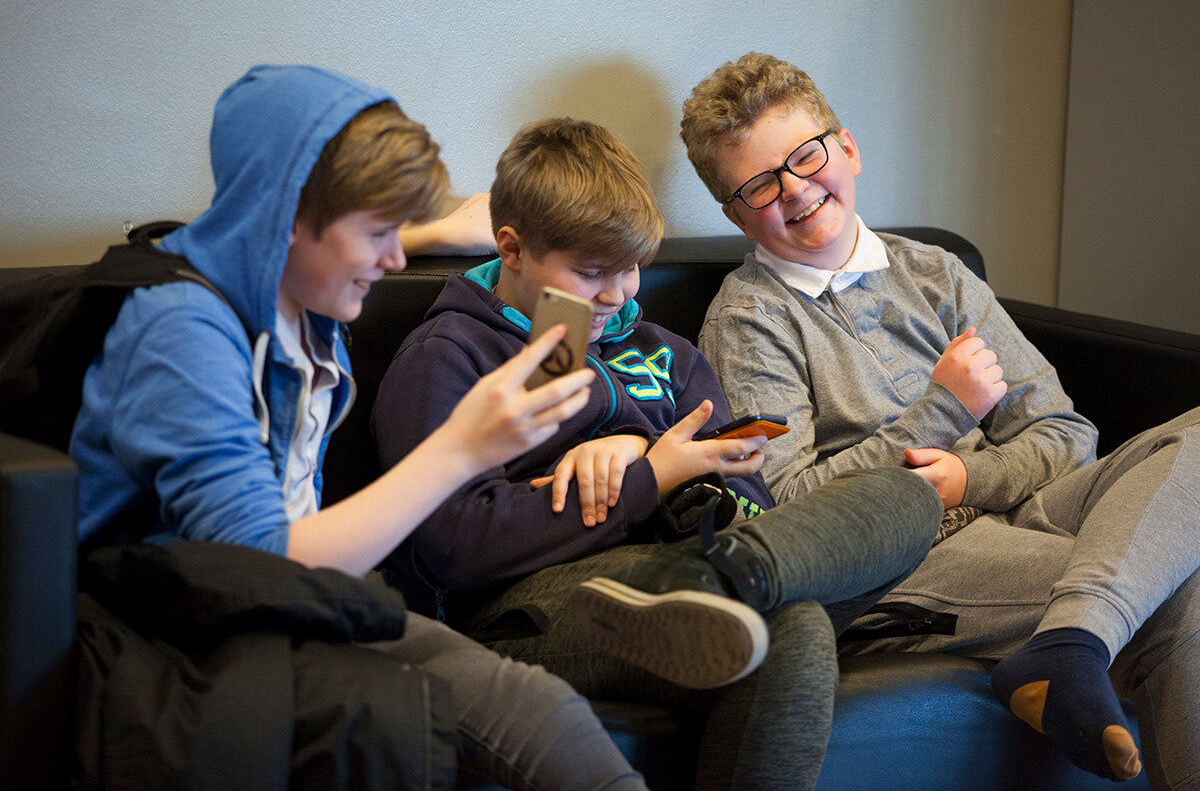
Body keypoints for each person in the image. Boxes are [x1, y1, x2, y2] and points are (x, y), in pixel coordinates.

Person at [69, 64, 653, 790]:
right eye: (379, 231)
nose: (395, 257)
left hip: (292, 603)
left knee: (542, 713)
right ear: (283, 218)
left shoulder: (307, 302)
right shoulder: (181, 333)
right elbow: (256, 562)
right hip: (177, 629)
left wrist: (432, 228)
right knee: (400, 722)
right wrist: (459, 450)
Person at [372, 116, 943, 791]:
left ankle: (734, 577)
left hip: (694, 562)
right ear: (514, 249)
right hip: (535, 607)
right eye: (590, 273)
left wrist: (652, 458)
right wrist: (648, 479)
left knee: (908, 496)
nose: (617, 295)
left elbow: (749, 502)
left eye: (631, 268)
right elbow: (457, 547)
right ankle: (731, 582)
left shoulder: (668, 355)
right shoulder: (451, 355)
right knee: (796, 631)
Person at [684, 51, 1200, 788]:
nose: (795, 188)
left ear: (846, 148)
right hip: (910, 556)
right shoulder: (749, 321)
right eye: (761, 184)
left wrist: (969, 477)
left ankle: (1073, 638)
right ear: (736, 213)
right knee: (1182, 588)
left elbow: (1066, 434)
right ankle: (1076, 639)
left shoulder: (934, 273)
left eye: (805, 156)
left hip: (1023, 503)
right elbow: (788, 509)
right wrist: (943, 412)